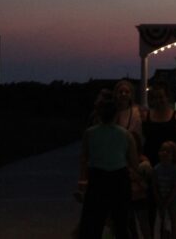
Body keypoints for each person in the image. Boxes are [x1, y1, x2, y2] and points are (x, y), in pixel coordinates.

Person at [78, 89, 138, 239]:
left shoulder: (90, 133)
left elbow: (84, 157)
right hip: (119, 177)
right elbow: (133, 161)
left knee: (93, 221)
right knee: (121, 221)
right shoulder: (125, 134)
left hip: (97, 178)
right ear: (116, 114)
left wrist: (82, 178)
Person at [143, 82, 176, 166]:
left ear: (167, 97)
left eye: (161, 97)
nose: (158, 100)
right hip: (150, 161)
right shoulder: (146, 116)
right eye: (155, 98)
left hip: (170, 164)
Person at [153, 141, 176, 239]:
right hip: (162, 197)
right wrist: (159, 199)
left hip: (174, 198)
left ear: (173, 155)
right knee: (163, 219)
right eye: (162, 150)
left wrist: (168, 200)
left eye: (168, 151)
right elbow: (155, 186)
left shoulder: (174, 169)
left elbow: (175, 188)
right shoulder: (156, 169)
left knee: (173, 218)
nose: (164, 153)